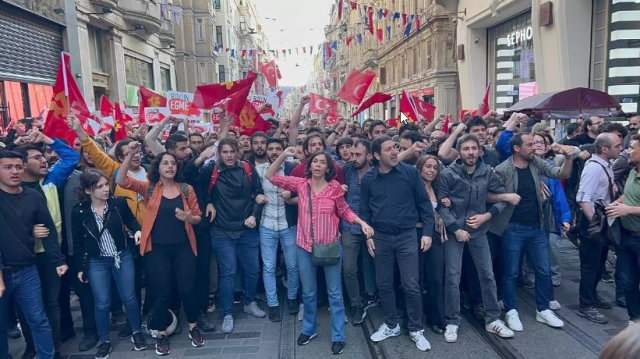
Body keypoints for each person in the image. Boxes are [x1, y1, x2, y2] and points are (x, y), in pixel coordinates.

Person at [265, 148, 374, 356]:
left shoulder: (335, 188)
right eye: (314, 162)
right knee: (308, 292)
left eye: (322, 162)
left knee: (334, 293)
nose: (317, 165)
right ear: (310, 166)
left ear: (327, 168)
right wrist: (283, 154)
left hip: (330, 247)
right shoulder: (301, 185)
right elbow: (270, 176)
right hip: (305, 246)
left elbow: (344, 211)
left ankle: (338, 336)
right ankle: (309, 329)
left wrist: (361, 222)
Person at [116, 145, 205, 356]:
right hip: (157, 250)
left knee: (187, 289)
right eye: (165, 163)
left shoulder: (186, 189)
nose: (170, 166)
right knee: (161, 291)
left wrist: (189, 218)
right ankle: (162, 332)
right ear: (158, 167)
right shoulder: (149, 188)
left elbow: (198, 216)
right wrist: (129, 156)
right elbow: (121, 181)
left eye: (173, 163)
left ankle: (193, 327)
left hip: (183, 246)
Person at [490, 132, 574, 332]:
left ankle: (543, 309)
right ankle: (511, 310)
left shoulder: (536, 162)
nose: (535, 148)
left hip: (536, 227)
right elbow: (489, 195)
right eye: (530, 144)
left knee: (543, 270)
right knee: (511, 272)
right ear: (517, 148)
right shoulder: (503, 169)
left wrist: (569, 158)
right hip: (512, 227)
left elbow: (561, 174)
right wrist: (507, 196)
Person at [435, 135, 515, 342]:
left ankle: (493, 319)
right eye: (466, 149)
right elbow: (442, 207)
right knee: (452, 277)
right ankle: (452, 320)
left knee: (487, 275)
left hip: (479, 230)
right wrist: (455, 228)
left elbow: (503, 198)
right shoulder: (447, 174)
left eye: (474, 148)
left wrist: (487, 216)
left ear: (480, 151)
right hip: (456, 232)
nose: (470, 152)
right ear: (459, 152)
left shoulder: (487, 173)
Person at [184, 137, 265, 334]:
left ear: (238, 151)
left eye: (232, 151)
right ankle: (227, 312)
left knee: (253, 270)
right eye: (225, 152)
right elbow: (190, 175)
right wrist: (203, 156)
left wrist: (254, 215)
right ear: (219, 153)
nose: (229, 155)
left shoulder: (247, 168)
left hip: (247, 229)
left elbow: (258, 193)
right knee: (228, 274)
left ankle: (249, 301)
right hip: (221, 231)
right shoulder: (211, 170)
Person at [361, 136, 433, 352]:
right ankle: (391, 324)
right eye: (388, 149)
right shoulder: (368, 179)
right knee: (383, 283)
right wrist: (368, 236)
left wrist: (427, 233)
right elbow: (365, 210)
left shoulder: (410, 173)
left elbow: (424, 204)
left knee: (411, 285)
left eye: (395, 148)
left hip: (407, 236)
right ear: (375, 156)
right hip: (380, 237)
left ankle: (416, 329)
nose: (394, 152)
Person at [14, 129, 79, 359]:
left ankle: (52, 347)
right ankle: (31, 346)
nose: (44, 160)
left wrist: (46, 139)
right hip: (21, 257)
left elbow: (72, 158)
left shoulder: (52, 179)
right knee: (25, 307)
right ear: (21, 164)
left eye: (44, 157)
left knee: (51, 303)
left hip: (51, 254)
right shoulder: (9, 187)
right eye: (37, 157)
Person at [72, 170, 147, 358]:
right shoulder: (79, 211)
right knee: (102, 302)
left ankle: (136, 332)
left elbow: (131, 220)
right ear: (89, 190)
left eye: (106, 185)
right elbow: (78, 241)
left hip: (122, 255)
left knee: (129, 297)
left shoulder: (118, 203)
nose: (105, 189)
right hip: (97, 260)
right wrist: (80, 267)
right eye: (100, 186)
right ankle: (104, 340)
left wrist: (137, 231)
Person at [0, 150, 68, 359]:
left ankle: (46, 355)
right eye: (8, 167)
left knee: (38, 319)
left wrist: (58, 259)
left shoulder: (33, 196)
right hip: (2, 271)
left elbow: (47, 227)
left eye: (18, 167)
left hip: (28, 269)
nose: (14, 172)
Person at [576, 133, 622, 324]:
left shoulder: (605, 165)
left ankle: (592, 296)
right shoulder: (594, 169)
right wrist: (596, 223)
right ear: (605, 149)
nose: (621, 148)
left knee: (599, 263)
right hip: (594, 224)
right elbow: (583, 198)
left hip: (601, 222)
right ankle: (586, 304)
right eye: (617, 146)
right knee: (590, 265)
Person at [255, 138, 300, 322]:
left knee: (293, 265)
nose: (274, 151)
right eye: (271, 149)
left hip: (288, 224)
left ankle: (292, 298)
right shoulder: (259, 171)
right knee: (268, 266)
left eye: (278, 149)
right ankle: (273, 303)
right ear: (266, 151)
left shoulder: (292, 169)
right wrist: (257, 196)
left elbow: (303, 189)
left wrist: (292, 194)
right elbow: (252, 191)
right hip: (267, 225)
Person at [340, 139, 377, 325]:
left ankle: (371, 295)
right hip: (350, 226)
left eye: (357, 155)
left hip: (374, 227)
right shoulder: (345, 170)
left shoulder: (378, 173)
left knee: (371, 263)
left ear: (369, 156)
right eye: (351, 154)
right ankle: (355, 303)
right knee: (348, 268)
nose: (352, 157)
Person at [606, 133, 640, 325]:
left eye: (633, 148)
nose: (628, 151)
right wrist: (615, 204)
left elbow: (630, 205)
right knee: (628, 282)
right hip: (626, 238)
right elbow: (628, 195)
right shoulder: (633, 171)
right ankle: (634, 320)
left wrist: (627, 210)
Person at [415, 155, 446, 334]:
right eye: (428, 167)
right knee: (416, 280)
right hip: (416, 236)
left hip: (436, 237)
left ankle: (437, 319)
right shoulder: (412, 188)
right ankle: (416, 321)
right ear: (419, 168)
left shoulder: (437, 188)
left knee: (436, 279)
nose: (432, 171)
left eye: (435, 168)